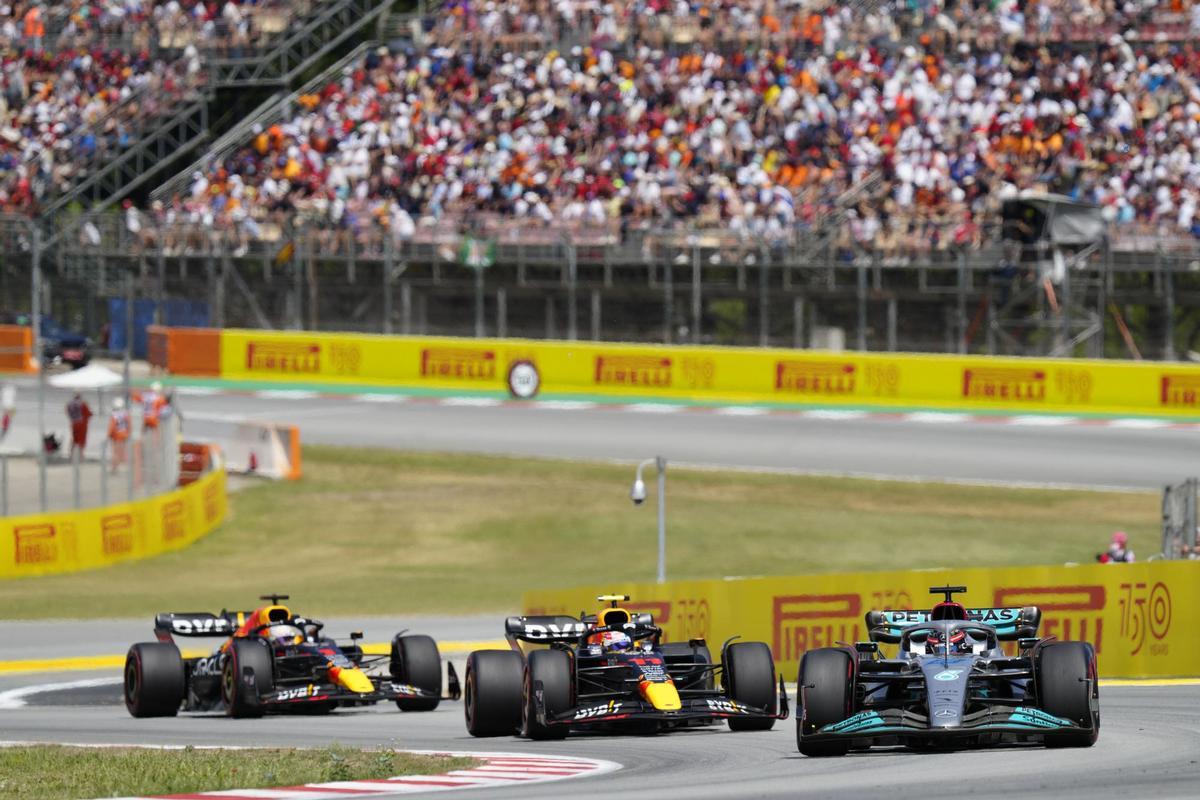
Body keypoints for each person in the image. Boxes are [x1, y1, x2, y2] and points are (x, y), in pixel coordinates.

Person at [66, 392, 92, 459]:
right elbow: (88, 414)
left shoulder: (70, 404)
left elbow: (67, 412)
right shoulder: (83, 404)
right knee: (81, 440)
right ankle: (81, 455)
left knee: (74, 439)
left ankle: (71, 454)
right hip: (82, 424)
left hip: (73, 424)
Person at [107, 397, 130, 473]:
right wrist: (128, 433)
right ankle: (119, 465)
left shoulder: (114, 415)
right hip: (123, 434)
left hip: (116, 435)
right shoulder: (126, 414)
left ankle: (114, 467)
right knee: (121, 451)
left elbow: (112, 426)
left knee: (115, 452)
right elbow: (129, 425)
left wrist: (108, 435)